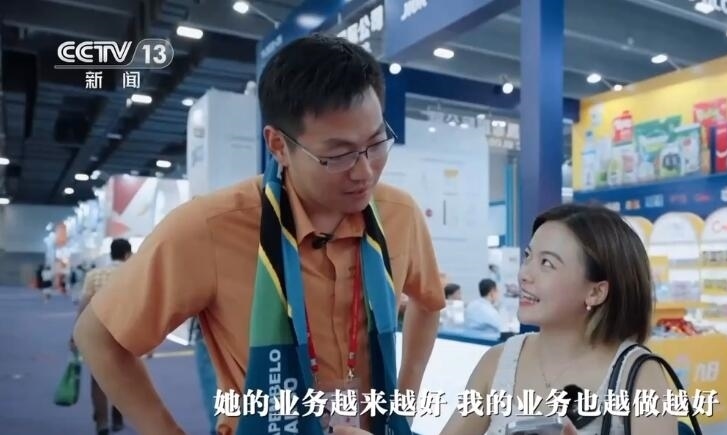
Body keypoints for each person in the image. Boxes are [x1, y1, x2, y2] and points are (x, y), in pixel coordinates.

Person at [73, 34, 444, 435]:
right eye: (338, 155)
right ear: (279, 145)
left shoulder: (398, 214)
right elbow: (97, 336)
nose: (365, 171)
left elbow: (429, 302)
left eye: (376, 143)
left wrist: (404, 403)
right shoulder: (211, 227)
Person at [335, 203, 678, 435]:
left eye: (547, 264)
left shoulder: (638, 376)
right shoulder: (501, 361)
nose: (525, 274)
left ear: (596, 291)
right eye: (528, 257)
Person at [72, 238, 132, 435]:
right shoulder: (134, 274)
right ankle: (118, 417)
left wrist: (74, 334)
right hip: (126, 332)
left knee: (98, 379)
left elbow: (84, 304)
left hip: (98, 331)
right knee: (123, 376)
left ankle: (102, 422)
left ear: (111, 253)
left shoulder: (94, 275)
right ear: (127, 254)